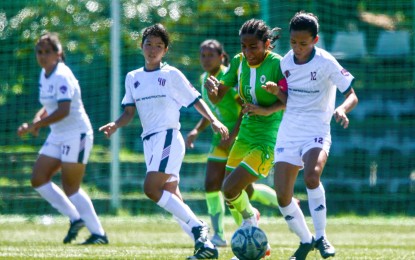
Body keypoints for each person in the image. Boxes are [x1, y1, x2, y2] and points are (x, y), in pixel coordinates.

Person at [99, 24, 228, 260]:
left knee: (151, 189)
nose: (153, 49)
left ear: (165, 50)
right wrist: (115, 125)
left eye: (159, 45)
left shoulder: (171, 75)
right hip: (150, 141)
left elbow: (195, 99)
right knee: (172, 197)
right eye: (149, 43)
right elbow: (129, 112)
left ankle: (198, 226)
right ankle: (206, 248)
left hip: (168, 137)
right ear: (142, 46)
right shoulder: (133, 77)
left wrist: (213, 121)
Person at [262, 11, 359, 260]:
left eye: (303, 43)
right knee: (283, 195)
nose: (297, 48)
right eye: (293, 42)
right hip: (289, 131)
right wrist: (276, 92)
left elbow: (352, 94)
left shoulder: (326, 62)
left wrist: (341, 108)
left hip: (316, 130)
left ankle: (322, 236)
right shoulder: (285, 63)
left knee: (312, 175)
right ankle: (306, 241)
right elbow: (287, 99)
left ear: (315, 40)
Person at [186, 39, 288, 248]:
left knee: (239, 188)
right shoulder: (206, 78)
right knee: (215, 185)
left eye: (210, 55)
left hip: (240, 135)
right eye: (202, 55)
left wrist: (232, 136)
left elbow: (245, 107)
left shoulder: (234, 75)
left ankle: (275, 207)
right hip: (221, 137)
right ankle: (222, 234)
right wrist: (197, 130)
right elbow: (212, 110)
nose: (206, 59)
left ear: (221, 56)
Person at [17, 32, 108, 245]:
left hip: (77, 134)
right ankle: (76, 218)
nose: (42, 56)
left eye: (47, 52)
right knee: (38, 178)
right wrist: (37, 120)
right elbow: (50, 105)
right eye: (39, 52)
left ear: (58, 54)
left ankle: (99, 234)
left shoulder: (62, 75)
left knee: (71, 187)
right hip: (58, 134)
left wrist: (36, 125)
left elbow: (64, 110)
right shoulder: (44, 73)